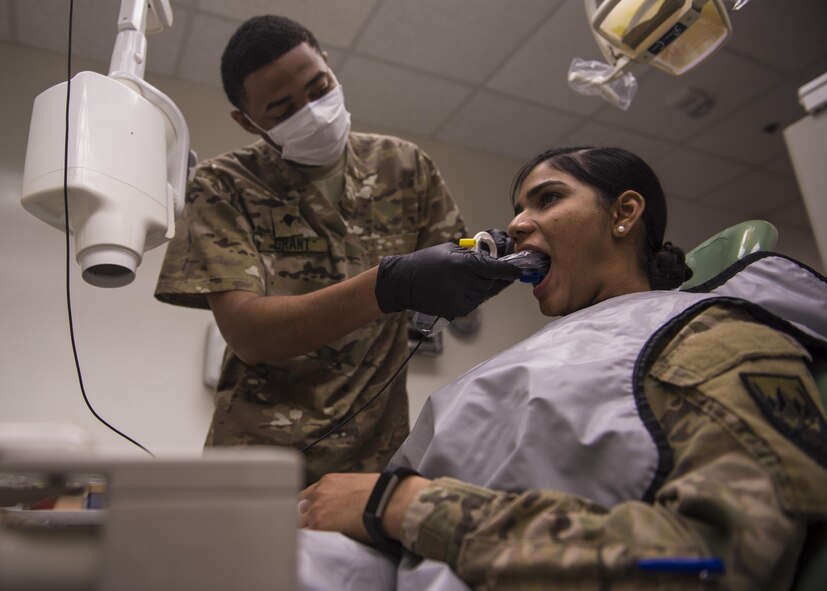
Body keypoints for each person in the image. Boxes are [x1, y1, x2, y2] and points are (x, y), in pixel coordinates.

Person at [295, 146, 827, 590]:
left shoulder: (713, 335)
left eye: (548, 199)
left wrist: (407, 506)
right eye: (518, 209)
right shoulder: (546, 352)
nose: (516, 224)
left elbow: (721, 563)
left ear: (624, 213)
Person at [154, 15, 520, 485]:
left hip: (375, 455)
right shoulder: (223, 186)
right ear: (246, 121)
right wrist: (387, 285)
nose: (312, 110)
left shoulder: (404, 168)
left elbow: (459, 292)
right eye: (283, 109)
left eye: (319, 87)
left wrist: (493, 261)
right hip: (257, 459)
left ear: (327, 64)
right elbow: (250, 334)